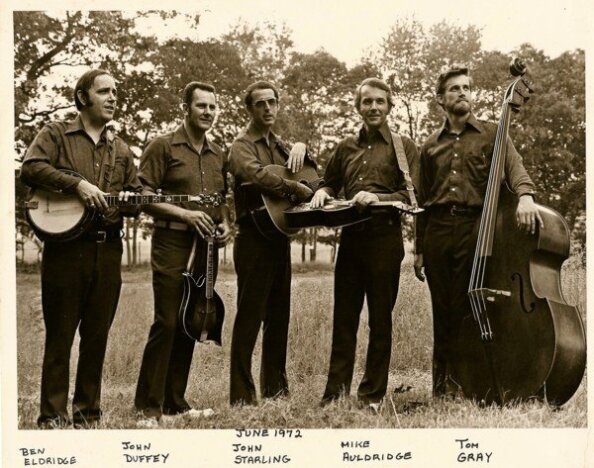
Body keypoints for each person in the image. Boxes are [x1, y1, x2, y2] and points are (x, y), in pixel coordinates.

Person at [20, 69, 142, 428]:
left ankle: (88, 414)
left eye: (115, 91)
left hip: (108, 250)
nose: (113, 97)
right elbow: (31, 168)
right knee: (59, 338)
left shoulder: (121, 149)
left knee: (96, 337)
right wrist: (77, 185)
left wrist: (133, 200)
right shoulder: (56, 134)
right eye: (104, 91)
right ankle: (52, 416)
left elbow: (136, 195)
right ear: (83, 97)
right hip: (66, 252)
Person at [413, 67, 541, 397]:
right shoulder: (429, 146)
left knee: (471, 306)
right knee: (442, 309)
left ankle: (473, 383)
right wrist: (419, 249)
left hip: (477, 229)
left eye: (466, 87)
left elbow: (515, 168)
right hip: (438, 231)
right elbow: (422, 201)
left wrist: (526, 196)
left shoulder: (493, 133)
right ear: (440, 99)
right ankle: (442, 387)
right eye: (454, 88)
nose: (462, 92)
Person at [310, 77, 419, 410]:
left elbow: (413, 196)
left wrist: (377, 198)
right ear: (358, 106)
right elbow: (329, 183)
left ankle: (372, 395)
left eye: (379, 101)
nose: (373, 107)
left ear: (389, 106)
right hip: (351, 239)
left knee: (380, 321)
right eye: (367, 101)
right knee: (344, 319)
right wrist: (322, 191)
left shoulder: (403, 147)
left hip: (385, 239)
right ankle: (334, 395)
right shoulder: (345, 147)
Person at [134, 82, 231, 426]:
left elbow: (220, 200)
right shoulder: (162, 146)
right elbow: (142, 195)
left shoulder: (218, 153)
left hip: (205, 246)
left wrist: (224, 224)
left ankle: (175, 404)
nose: (208, 112)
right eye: (201, 105)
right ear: (186, 109)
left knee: (191, 319)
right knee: (167, 320)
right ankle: (148, 408)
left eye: (213, 107)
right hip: (171, 242)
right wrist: (186, 215)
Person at [228, 81, 314, 405]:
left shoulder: (280, 145)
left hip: (278, 238)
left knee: (279, 316)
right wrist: (293, 190)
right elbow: (256, 175)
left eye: (272, 102)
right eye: (260, 103)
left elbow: (309, 174)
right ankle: (241, 396)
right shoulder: (241, 145)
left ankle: (276, 391)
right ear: (249, 109)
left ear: (278, 105)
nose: (267, 108)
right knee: (249, 317)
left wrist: (302, 147)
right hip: (252, 240)